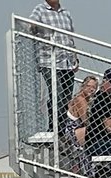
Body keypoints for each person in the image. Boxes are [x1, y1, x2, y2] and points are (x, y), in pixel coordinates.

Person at [28, 0, 77, 131]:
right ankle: (54, 128)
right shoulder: (40, 9)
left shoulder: (66, 13)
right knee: (57, 94)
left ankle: (60, 129)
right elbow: (30, 25)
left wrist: (75, 58)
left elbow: (70, 38)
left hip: (66, 62)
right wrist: (37, 28)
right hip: (48, 60)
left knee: (66, 98)